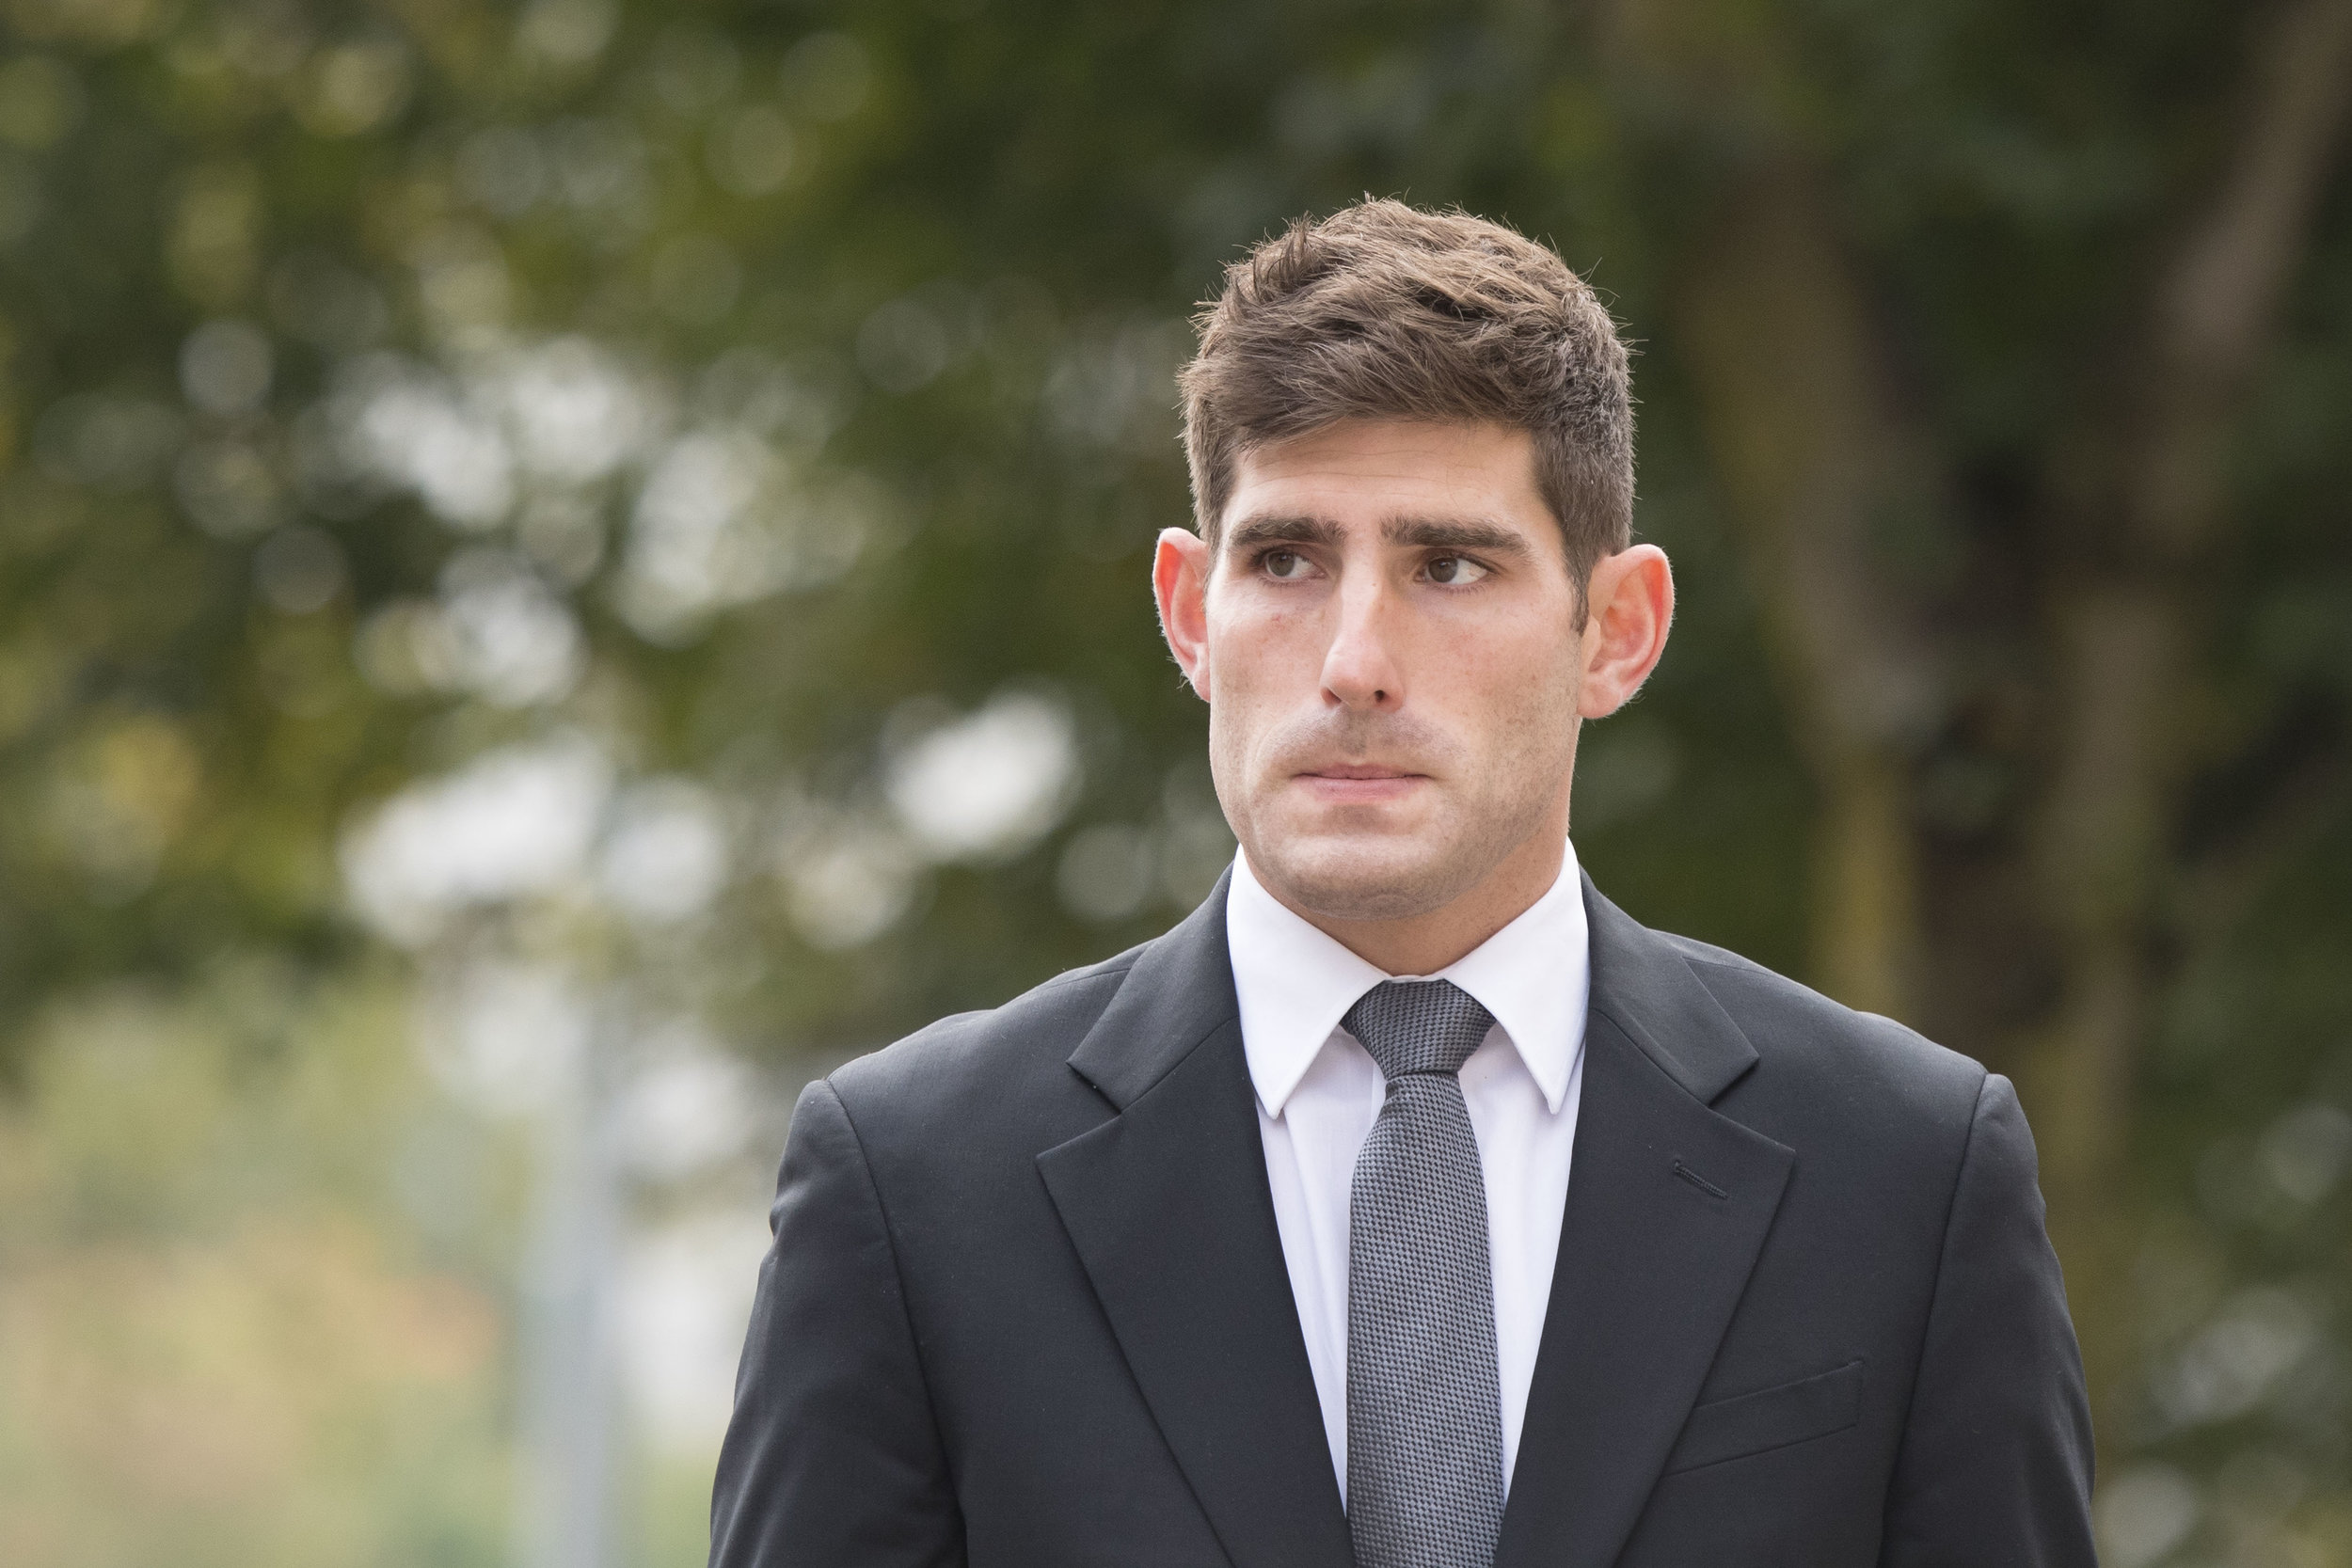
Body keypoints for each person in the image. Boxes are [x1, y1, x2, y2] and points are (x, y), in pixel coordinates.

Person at [707, 200, 2097, 1568]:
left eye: (1447, 564)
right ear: (1191, 615)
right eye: (1288, 559)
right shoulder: (915, 1190)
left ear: (1617, 631)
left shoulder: (1906, 1175)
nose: (1353, 659)